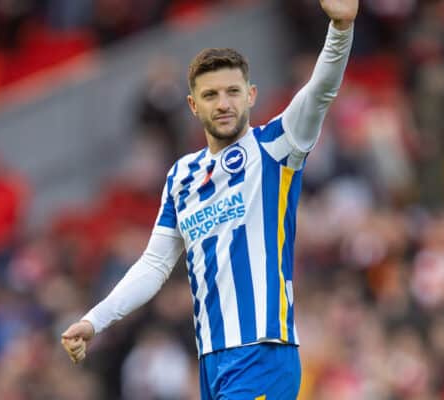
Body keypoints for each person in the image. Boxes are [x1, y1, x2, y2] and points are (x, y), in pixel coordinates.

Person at [61, 1, 358, 398]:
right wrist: (95, 320)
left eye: (233, 91)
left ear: (251, 95)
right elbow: (154, 264)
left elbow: (320, 92)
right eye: (211, 94)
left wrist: (340, 28)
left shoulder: (275, 148)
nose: (223, 103)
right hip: (212, 361)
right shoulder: (181, 176)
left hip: (262, 351)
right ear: (193, 105)